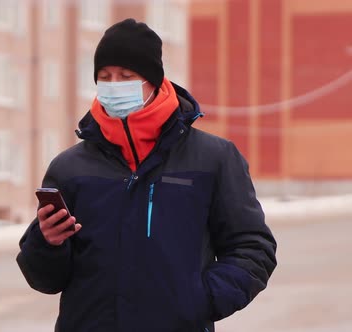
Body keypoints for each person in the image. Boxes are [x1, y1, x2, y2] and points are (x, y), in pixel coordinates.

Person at [16, 18, 277, 332]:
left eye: (127, 76)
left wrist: (200, 300)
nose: (114, 85)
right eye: (105, 77)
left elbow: (252, 248)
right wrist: (47, 242)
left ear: (154, 81)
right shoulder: (69, 168)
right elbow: (45, 279)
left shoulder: (214, 158)